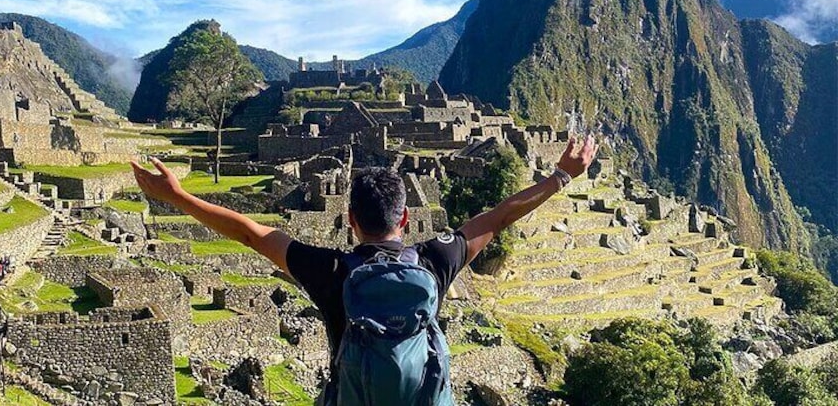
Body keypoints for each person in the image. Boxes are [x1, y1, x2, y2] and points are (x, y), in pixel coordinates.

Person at [131, 135, 597, 405]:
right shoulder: (438, 261)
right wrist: (562, 176)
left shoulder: (330, 270)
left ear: (350, 221)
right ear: (406, 220)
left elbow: (251, 233)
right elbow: (497, 217)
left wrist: (176, 197)